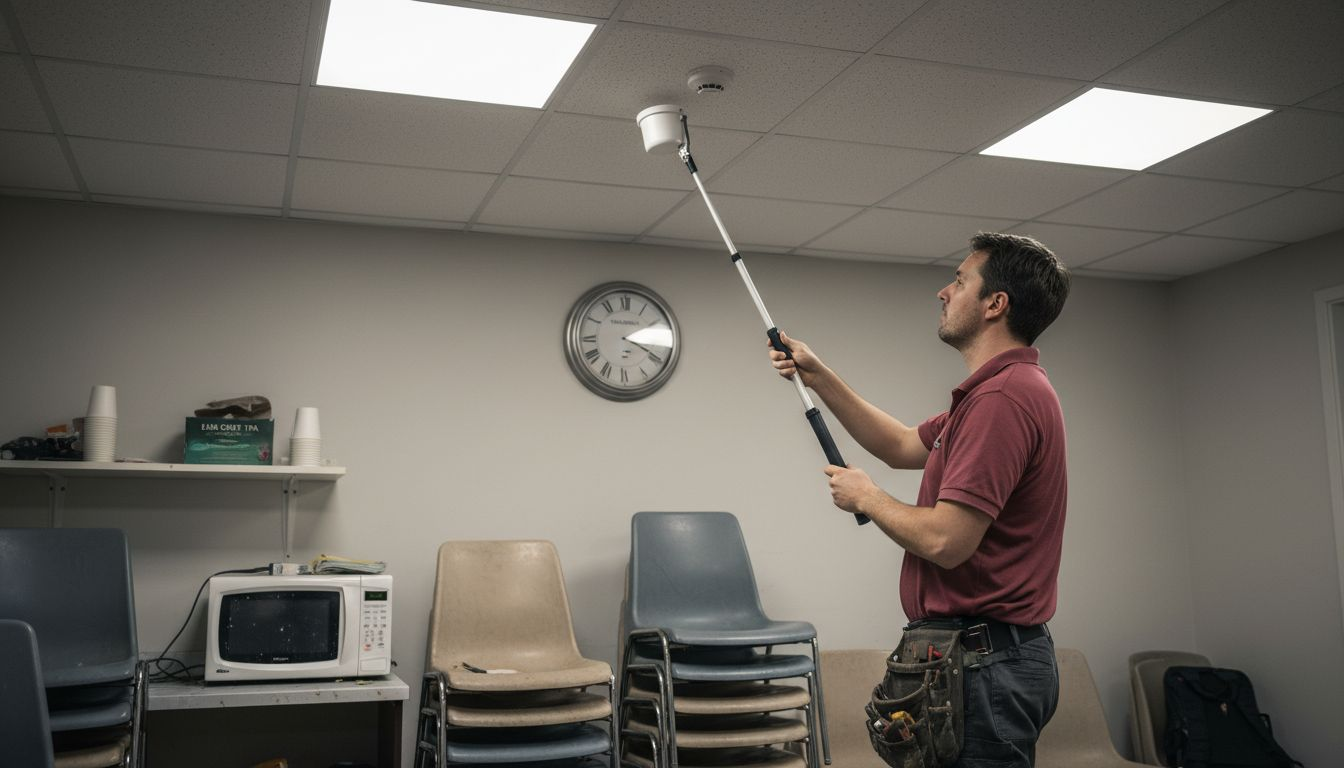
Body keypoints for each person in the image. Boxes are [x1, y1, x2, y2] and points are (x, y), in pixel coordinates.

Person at [769, 232, 1071, 767]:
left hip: (986, 666)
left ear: (995, 304)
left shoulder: (1002, 398)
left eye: (960, 281)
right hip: (980, 658)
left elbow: (946, 542)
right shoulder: (990, 393)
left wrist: (868, 498)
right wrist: (819, 377)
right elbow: (902, 444)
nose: (943, 292)